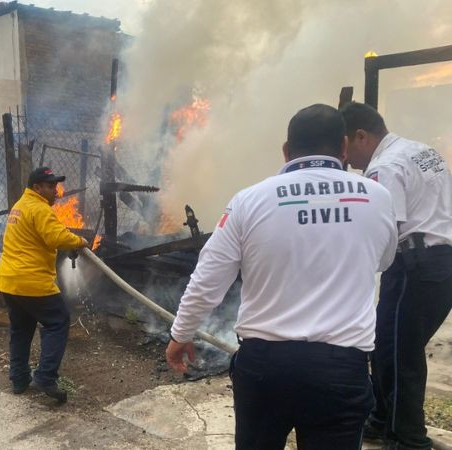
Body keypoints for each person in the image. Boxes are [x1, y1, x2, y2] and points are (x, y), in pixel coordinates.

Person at [166, 104, 398, 449]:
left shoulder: (249, 200)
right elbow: (383, 260)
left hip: (265, 367)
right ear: (344, 148)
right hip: (340, 370)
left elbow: (209, 276)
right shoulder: (378, 197)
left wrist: (181, 333)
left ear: (287, 151)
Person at [341, 102, 452, 450]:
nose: (346, 158)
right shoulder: (420, 150)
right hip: (439, 259)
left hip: (414, 265)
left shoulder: (384, 168)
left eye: (345, 147)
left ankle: (408, 438)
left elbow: (387, 229)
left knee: (400, 352)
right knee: (388, 343)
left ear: (361, 136)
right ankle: (381, 418)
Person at [0, 167, 88, 404]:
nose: (56, 192)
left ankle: (19, 379)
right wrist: (80, 241)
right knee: (58, 322)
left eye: (55, 186)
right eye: (50, 186)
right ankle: (46, 377)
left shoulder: (19, 206)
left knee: (21, 328)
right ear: (37, 188)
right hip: (32, 281)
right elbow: (56, 237)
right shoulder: (39, 208)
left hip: (9, 281)